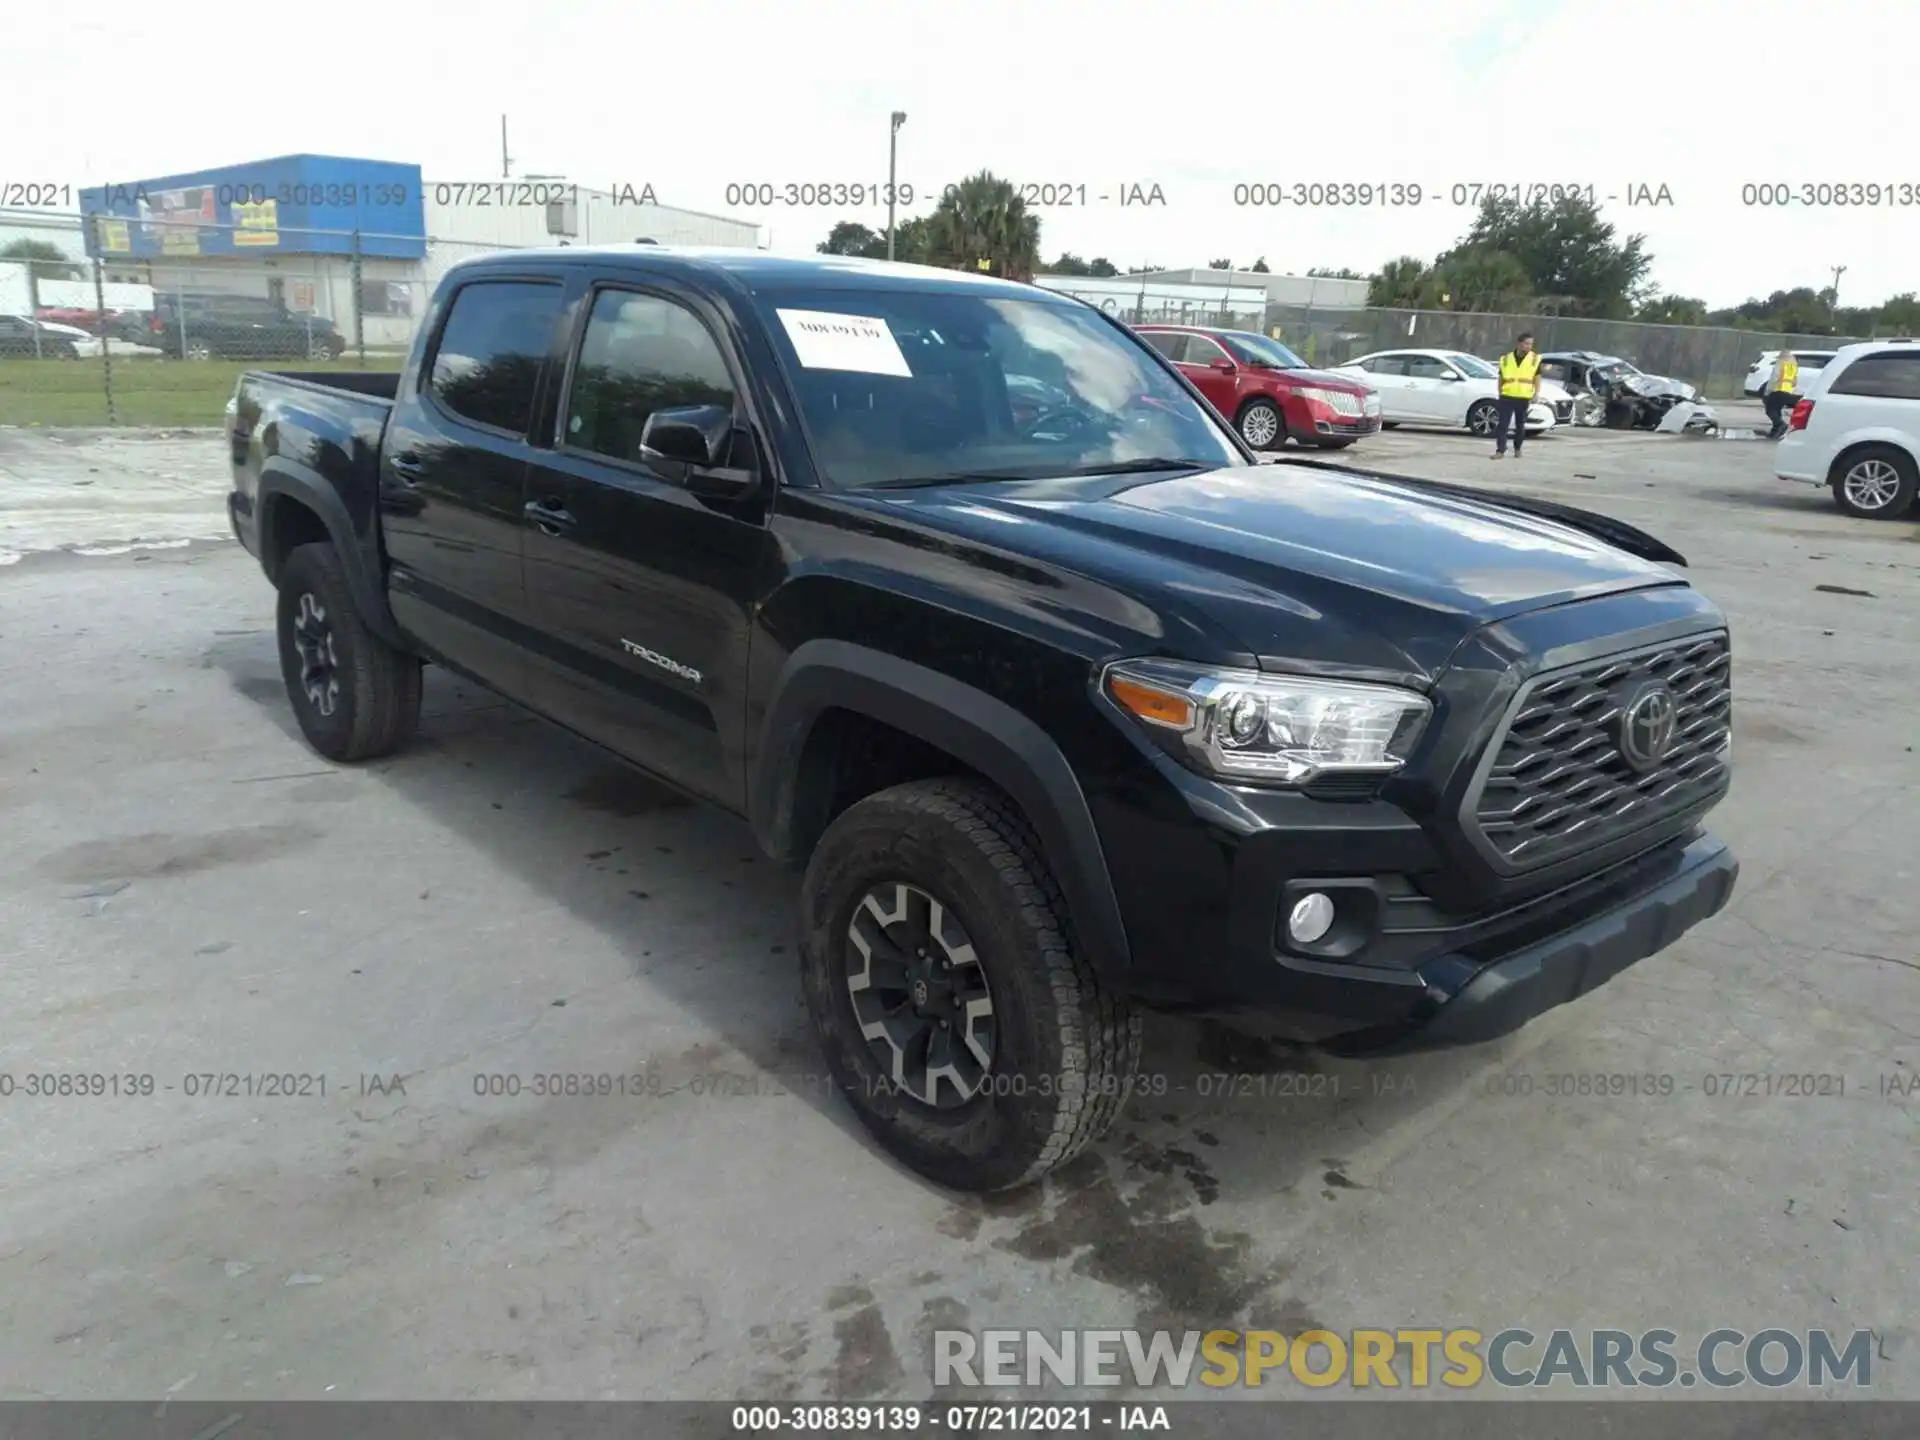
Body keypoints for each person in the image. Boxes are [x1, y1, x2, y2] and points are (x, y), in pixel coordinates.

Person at [1493, 333, 1542, 458]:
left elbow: (1537, 378)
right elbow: (1501, 377)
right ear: (1519, 343)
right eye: (1526, 343)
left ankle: (1517, 448)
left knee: (1520, 425)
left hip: (1523, 396)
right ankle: (1500, 450)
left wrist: (1536, 393)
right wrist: (1500, 392)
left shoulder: (1534, 359)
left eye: (1531, 344)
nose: (1529, 346)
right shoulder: (1506, 359)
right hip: (1507, 395)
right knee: (1503, 424)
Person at [1764, 350, 1799, 438]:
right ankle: (1775, 431)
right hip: (1788, 392)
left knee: (1770, 410)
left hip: (1777, 390)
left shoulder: (1780, 364)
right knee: (1777, 410)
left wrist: (1767, 391)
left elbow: (1774, 378)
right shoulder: (1794, 366)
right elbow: (1795, 382)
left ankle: (1781, 424)